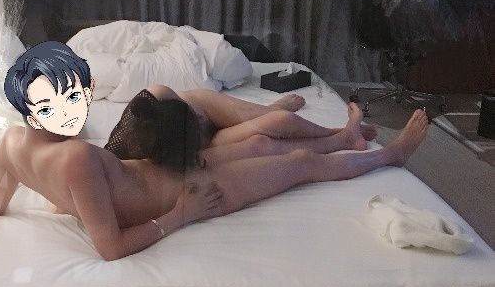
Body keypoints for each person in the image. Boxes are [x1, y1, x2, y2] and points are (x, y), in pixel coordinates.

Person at [0, 41, 429, 261]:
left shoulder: (9, 143)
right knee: (298, 163)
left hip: (161, 168)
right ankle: (389, 156)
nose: (77, 108)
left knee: (260, 141)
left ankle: (343, 139)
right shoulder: (75, 158)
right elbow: (110, 247)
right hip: (186, 192)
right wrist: (181, 215)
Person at [104, 84, 378, 160]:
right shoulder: (129, 157)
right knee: (277, 123)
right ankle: (344, 137)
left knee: (274, 116)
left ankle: (339, 131)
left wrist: (196, 116)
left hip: (199, 112)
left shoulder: (156, 96)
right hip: (201, 144)